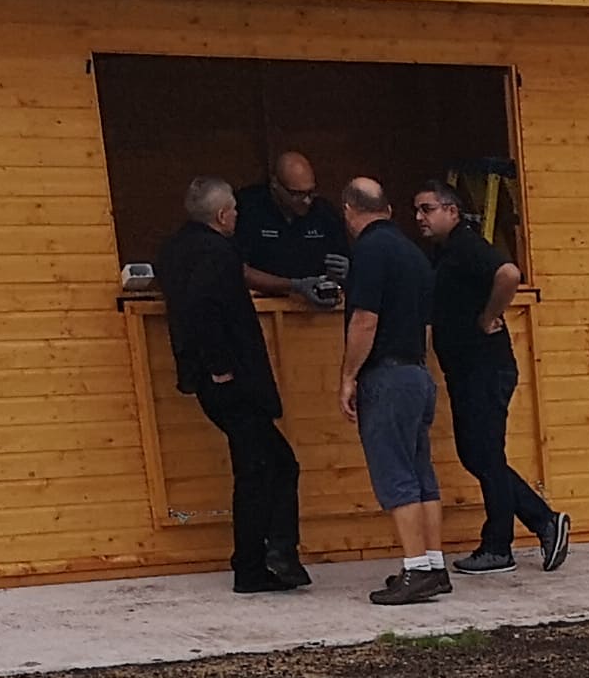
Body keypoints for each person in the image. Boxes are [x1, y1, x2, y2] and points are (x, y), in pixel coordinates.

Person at [153, 176, 307, 594]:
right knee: (268, 467)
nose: (239, 215)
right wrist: (220, 364)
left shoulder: (173, 250)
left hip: (206, 381)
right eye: (235, 209)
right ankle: (260, 562)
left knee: (261, 465)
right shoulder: (217, 253)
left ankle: (262, 559)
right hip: (234, 381)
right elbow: (203, 306)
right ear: (222, 216)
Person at [410, 180, 568, 575]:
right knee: (477, 454)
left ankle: (502, 544)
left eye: (427, 209)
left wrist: (487, 318)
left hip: (486, 368)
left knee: (485, 454)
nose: (420, 218)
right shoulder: (444, 253)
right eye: (417, 211)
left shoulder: (466, 246)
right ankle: (542, 521)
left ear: (452, 211)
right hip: (466, 371)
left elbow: (509, 274)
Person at [335, 177, 447, 605]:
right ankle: (434, 565)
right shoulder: (413, 253)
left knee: (394, 473)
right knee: (422, 474)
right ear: (390, 208)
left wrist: (348, 376)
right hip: (418, 372)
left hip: (387, 374)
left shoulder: (368, 251)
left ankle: (415, 569)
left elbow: (365, 319)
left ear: (349, 209)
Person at [234, 150, 344, 302]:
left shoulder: (324, 212)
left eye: (310, 193)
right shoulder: (248, 208)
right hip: (264, 305)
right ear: (275, 184)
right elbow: (238, 270)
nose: (307, 201)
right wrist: (294, 285)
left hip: (316, 306)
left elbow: (342, 259)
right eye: (297, 194)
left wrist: (344, 273)